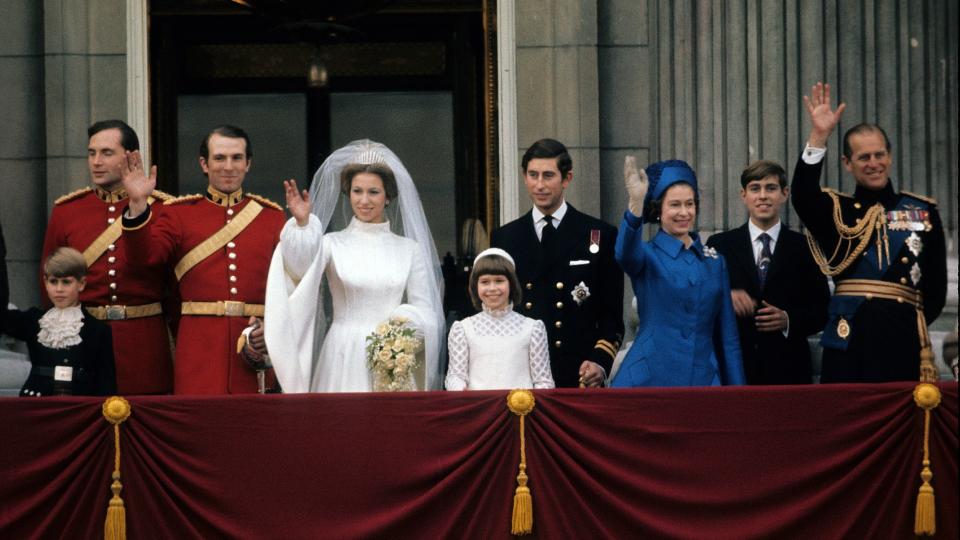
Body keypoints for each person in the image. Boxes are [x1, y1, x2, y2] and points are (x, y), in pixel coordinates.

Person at [791, 82, 947, 382]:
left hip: (902, 343)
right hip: (849, 346)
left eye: (879, 155)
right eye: (864, 157)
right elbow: (803, 195)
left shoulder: (923, 212)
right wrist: (819, 137)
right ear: (847, 164)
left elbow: (936, 292)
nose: (873, 164)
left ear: (889, 156)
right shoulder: (837, 211)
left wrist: (899, 323)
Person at [264, 140, 445, 393]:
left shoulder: (409, 249)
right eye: (357, 191)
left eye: (374, 192)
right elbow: (298, 271)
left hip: (393, 360)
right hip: (341, 354)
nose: (364, 200)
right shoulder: (331, 244)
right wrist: (303, 225)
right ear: (348, 193)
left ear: (389, 196)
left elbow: (426, 310)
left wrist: (398, 335)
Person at [121, 125, 286, 394]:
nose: (228, 166)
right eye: (219, 158)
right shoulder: (179, 214)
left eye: (237, 158)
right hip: (199, 349)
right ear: (204, 164)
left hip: (253, 344)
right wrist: (138, 204)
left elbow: (288, 287)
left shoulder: (271, 217)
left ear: (248, 164)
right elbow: (143, 260)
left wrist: (272, 325)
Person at [41, 120, 173, 394]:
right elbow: (49, 288)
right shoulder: (67, 211)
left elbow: (173, 286)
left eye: (106, 153)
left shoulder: (162, 209)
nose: (96, 162)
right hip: (83, 340)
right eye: (91, 153)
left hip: (142, 343)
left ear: (132, 157)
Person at [491, 138, 624, 388]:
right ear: (524, 176)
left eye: (548, 176)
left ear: (567, 178)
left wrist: (600, 362)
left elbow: (611, 316)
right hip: (521, 375)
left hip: (578, 375)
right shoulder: (505, 238)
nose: (539, 185)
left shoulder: (599, 234)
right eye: (533, 175)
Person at [610, 157, 745, 387]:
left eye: (689, 204)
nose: (684, 212)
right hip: (650, 378)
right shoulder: (646, 255)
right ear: (658, 210)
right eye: (675, 205)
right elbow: (624, 254)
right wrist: (635, 205)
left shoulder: (714, 262)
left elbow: (728, 338)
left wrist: (738, 394)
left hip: (702, 379)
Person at [706, 161, 830, 384]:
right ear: (743, 195)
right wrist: (725, 297)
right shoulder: (719, 245)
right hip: (734, 368)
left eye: (770, 188)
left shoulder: (805, 247)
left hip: (788, 370)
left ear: (784, 194)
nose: (763, 196)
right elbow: (700, 300)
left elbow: (823, 309)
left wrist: (788, 319)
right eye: (755, 188)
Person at [1, 244, 116, 397]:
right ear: (45, 282)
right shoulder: (34, 320)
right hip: (36, 405)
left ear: (81, 284)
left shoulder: (97, 330)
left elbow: (106, 384)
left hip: (78, 409)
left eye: (66, 282)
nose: (59, 289)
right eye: (53, 282)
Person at [445, 248, 555, 390]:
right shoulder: (463, 329)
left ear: (511, 284)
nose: (492, 288)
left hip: (521, 409)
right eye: (485, 282)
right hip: (479, 409)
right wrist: (459, 389)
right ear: (475, 286)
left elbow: (544, 381)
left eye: (499, 281)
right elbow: (455, 375)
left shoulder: (533, 328)